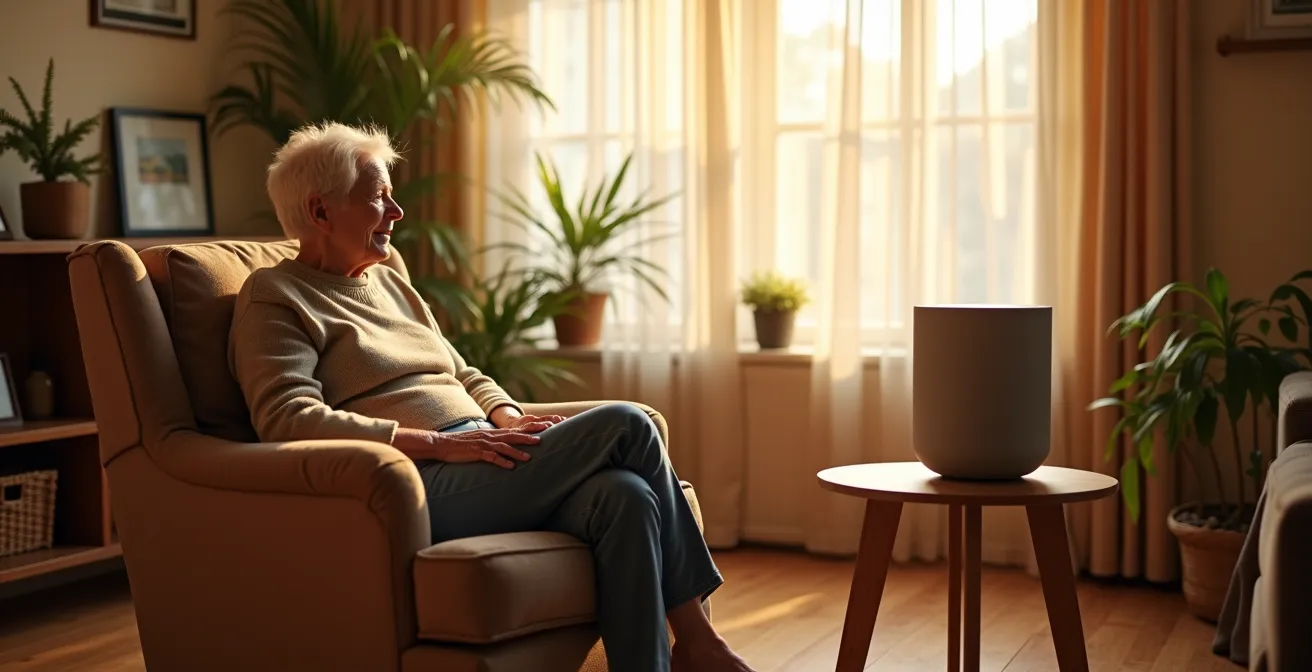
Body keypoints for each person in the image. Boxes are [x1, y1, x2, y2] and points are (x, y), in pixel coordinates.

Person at [227, 122, 755, 672]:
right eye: (379, 198)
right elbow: (287, 420)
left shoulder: (390, 283)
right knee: (627, 424)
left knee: (625, 497)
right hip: (420, 481)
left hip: (485, 450)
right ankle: (699, 642)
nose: (396, 211)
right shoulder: (274, 296)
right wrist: (436, 443)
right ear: (320, 212)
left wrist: (507, 417)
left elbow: (462, 370)